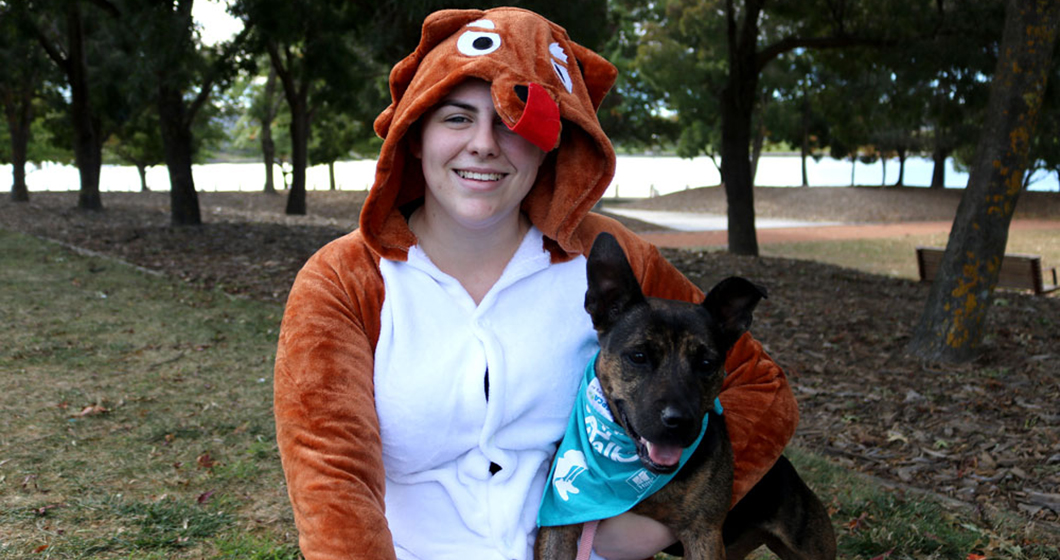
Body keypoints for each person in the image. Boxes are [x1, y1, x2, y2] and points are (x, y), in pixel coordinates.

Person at [273, 7, 798, 560]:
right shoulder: (346, 280)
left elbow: (758, 389)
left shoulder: (607, 255)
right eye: (456, 118)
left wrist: (664, 523)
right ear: (415, 133)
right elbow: (331, 477)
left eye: (512, 121)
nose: (483, 143)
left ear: (552, 142)